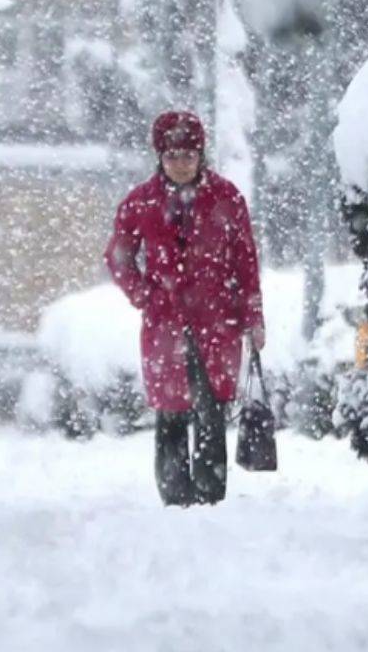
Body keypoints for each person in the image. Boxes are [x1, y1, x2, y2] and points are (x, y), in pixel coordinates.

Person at [105, 111, 265, 507]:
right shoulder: (140, 202)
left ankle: (211, 495)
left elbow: (246, 261)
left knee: (212, 411)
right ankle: (175, 497)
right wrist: (145, 295)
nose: (181, 164)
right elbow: (119, 257)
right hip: (165, 325)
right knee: (172, 411)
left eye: (189, 155)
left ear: (201, 155)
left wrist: (253, 316)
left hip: (218, 322)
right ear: (160, 156)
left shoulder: (226, 198)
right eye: (173, 156)